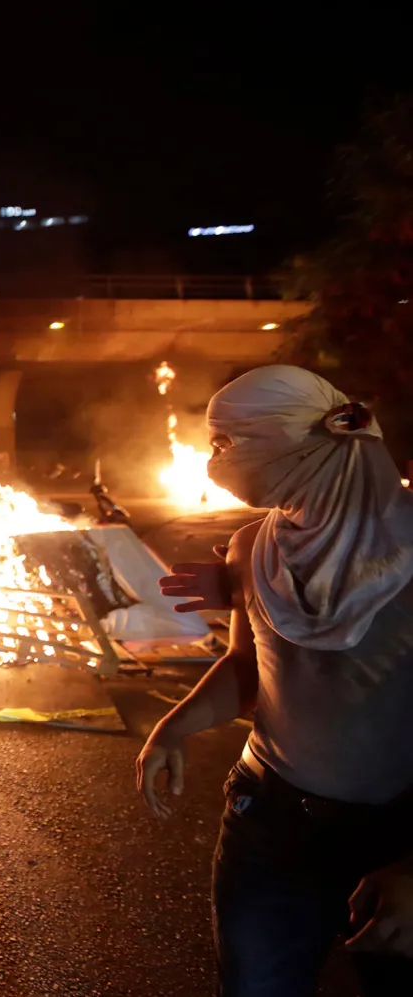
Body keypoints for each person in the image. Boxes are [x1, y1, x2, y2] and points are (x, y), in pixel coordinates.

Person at [141, 365, 413, 996]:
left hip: (397, 829)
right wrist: (173, 727)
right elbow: (249, 666)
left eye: (227, 442)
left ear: (302, 440)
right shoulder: (250, 546)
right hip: (268, 820)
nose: (214, 461)